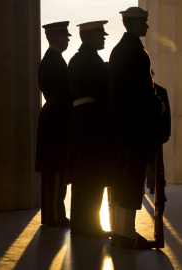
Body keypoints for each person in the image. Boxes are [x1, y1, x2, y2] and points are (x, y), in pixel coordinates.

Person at [107, 7, 166, 249]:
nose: (148, 26)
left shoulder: (118, 50)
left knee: (122, 180)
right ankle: (128, 233)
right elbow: (142, 93)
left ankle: (120, 232)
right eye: (145, 22)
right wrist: (159, 105)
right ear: (135, 23)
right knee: (132, 180)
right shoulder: (138, 53)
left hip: (119, 125)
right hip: (135, 126)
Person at [66, 21, 113, 238]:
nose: (104, 37)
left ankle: (79, 224)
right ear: (89, 36)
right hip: (93, 122)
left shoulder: (75, 59)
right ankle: (92, 226)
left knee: (81, 177)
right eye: (100, 34)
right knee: (94, 176)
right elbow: (103, 92)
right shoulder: (92, 60)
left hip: (79, 120)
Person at [35, 21, 73, 227]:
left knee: (53, 171)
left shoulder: (49, 60)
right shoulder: (56, 61)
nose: (67, 40)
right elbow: (64, 95)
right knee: (56, 169)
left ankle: (52, 214)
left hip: (52, 117)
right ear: (56, 38)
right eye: (65, 37)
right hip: (57, 120)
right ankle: (55, 216)